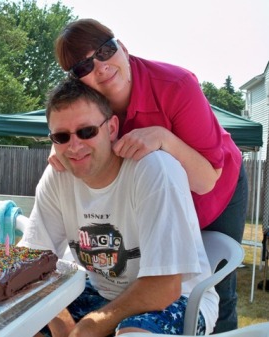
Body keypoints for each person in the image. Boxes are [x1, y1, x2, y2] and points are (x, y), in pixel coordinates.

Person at [49, 18, 247, 333]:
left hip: (215, 190)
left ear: (123, 47)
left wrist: (163, 138)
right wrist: (71, 143)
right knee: (144, 270)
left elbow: (207, 179)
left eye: (105, 50)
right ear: (75, 80)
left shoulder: (176, 85)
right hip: (161, 196)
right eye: (83, 67)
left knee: (214, 283)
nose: (99, 67)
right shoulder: (95, 110)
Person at [18, 79, 219, 336]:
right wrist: (61, 322)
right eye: (61, 137)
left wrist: (87, 328)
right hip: (101, 293)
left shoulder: (153, 170)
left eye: (87, 131)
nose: (75, 146)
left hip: (180, 298)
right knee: (22, 324)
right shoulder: (58, 175)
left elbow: (166, 287)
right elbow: (31, 263)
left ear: (112, 128)